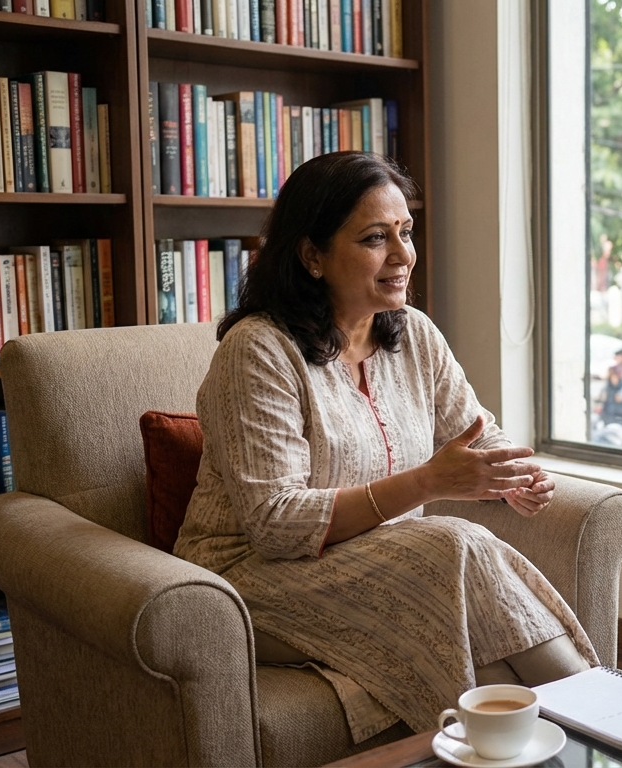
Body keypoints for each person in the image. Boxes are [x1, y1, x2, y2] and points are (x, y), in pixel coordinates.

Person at [173, 151, 594, 744]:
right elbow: (274, 526)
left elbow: (475, 431)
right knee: (455, 540)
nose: (403, 256)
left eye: (406, 232)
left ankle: (594, 738)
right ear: (311, 255)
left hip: (385, 563)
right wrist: (427, 482)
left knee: (495, 670)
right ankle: (607, 716)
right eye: (376, 238)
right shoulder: (258, 351)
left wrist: (513, 474)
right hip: (249, 578)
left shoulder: (413, 334)